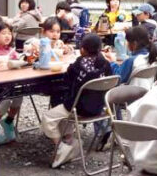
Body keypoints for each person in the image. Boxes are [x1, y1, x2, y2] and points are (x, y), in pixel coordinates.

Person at [42, 33, 115, 168]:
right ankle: (70, 140)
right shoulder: (105, 64)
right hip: (99, 107)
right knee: (62, 109)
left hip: (80, 107)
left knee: (48, 117)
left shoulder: (78, 65)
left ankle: (61, 146)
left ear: (82, 49)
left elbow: (66, 81)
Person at [112, 24, 157, 89]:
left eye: (127, 41)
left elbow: (117, 79)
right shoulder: (152, 55)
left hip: (132, 94)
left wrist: (112, 62)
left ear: (134, 44)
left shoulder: (132, 61)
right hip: (147, 90)